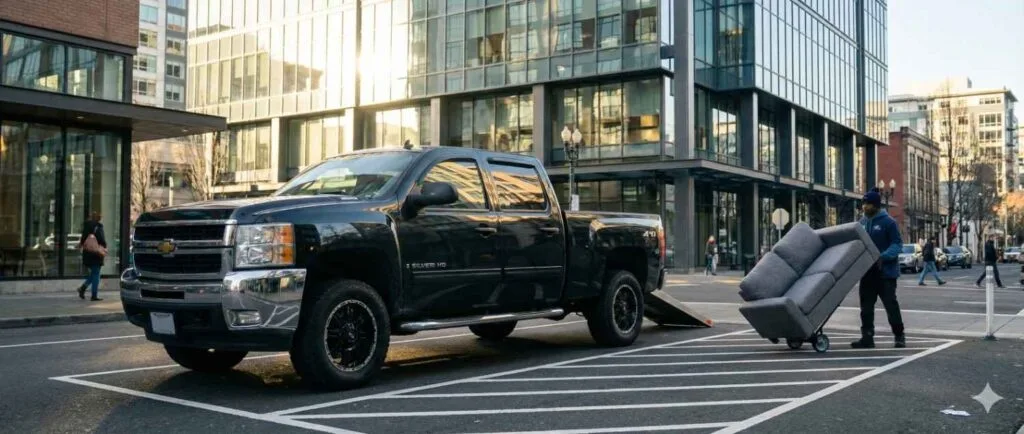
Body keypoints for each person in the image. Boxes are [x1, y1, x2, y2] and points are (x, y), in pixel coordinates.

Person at [853, 188, 906, 348]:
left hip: (885, 273)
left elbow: (897, 244)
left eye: (868, 204)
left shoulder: (888, 222)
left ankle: (899, 336)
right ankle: (867, 337)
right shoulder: (861, 223)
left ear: (876, 205)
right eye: (863, 203)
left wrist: (883, 256)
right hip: (867, 272)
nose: (865, 206)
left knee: (891, 306)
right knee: (866, 308)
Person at [77, 212, 106, 301]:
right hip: (96, 253)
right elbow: (102, 240)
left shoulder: (87, 226)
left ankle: (82, 288)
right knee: (96, 274)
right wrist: (104, 247)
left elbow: (83, 240)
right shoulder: (98, 227)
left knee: (94, 273)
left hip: (88, 252)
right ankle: (94, 295)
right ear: (98, 219)